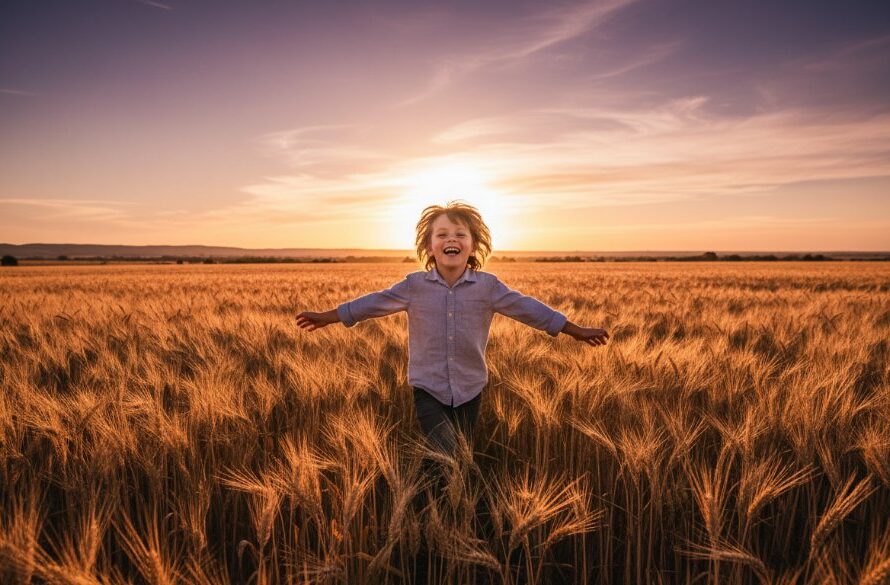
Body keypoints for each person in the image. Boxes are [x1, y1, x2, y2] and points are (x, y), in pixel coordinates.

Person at [295, 201, 609, 462]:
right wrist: (328, 316)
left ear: (473, 246)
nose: (451, 239)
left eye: (460, 234)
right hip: (428, 388)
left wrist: (573, 329)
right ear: (429, 248)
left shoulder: (488, 287)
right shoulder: (413, 287)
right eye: (442, 234)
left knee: (458, 456)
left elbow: (528, 309)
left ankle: (448, 515)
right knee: (446, 452)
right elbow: (372, 304)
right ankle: (434, 510)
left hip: (471, 388)